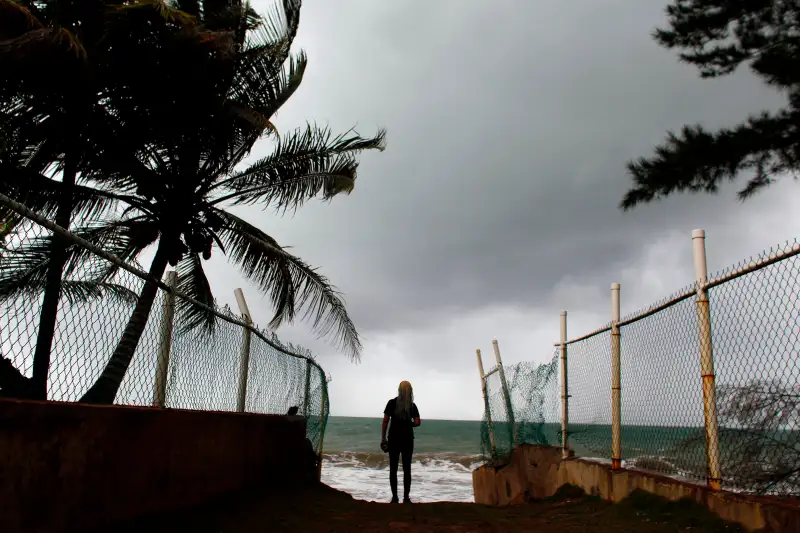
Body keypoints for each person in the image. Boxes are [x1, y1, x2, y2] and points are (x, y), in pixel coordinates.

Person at [380, 380, 421, 504]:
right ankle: (406, 498)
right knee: (407, 469)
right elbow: (418, 422)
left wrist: (383, 438)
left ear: (399, 390)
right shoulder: (412, 405)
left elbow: (385, 421)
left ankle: (394, 498)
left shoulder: (391, 403)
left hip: (394, 438)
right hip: (408, 439)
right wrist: (409, 424)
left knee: (393, 469)